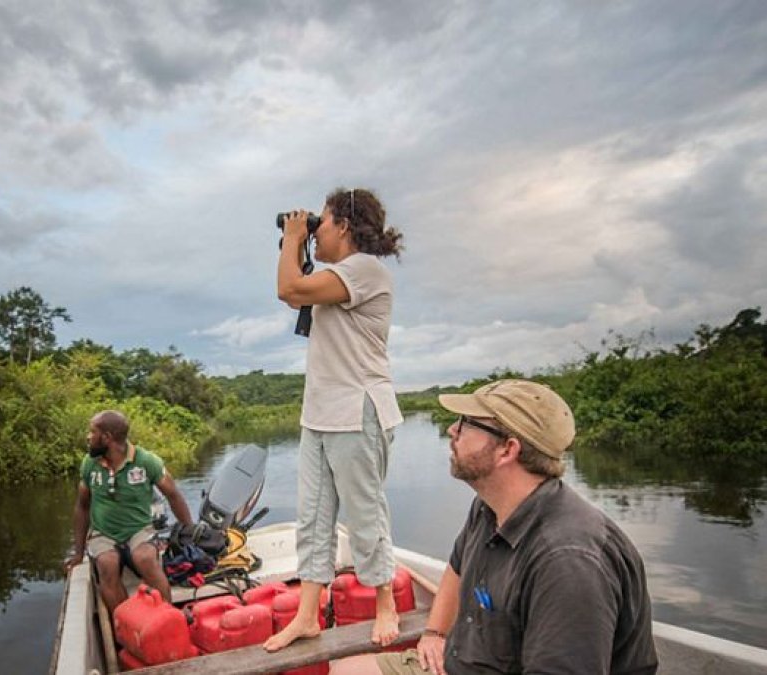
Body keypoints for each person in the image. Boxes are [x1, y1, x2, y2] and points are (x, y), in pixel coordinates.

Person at [330, 379, 658, 675]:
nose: (452, 430)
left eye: (466, 423)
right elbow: (457, 568)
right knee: (346, 671)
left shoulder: (568, 561)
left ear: (507, 449)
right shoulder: (490, 507)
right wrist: (435, 633)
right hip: (465, 662)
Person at [266, 188, 406, 652]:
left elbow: (288, 289)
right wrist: (297, 242)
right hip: (320, 413)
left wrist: (293, 237)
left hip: (358, 409)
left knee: (365, 512)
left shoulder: (365, 269)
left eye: (320, 223)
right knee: (312, 517)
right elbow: (295, 293)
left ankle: (385, 602)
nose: (315, 231)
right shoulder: (335, 277)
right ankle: (308, 615)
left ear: (344, 226)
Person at [63, 410, 196, 616]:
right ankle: (127, 622)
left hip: (139, 530)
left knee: (145, 558)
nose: (88, 437)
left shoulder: (146, 461)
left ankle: (168, 617)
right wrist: (79, 553)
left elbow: (173, 496)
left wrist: (190, 533)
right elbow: (82, 507)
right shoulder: (90, 464)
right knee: (107, 564)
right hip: (103, 533)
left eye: (92, 432)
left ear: (106, 437)